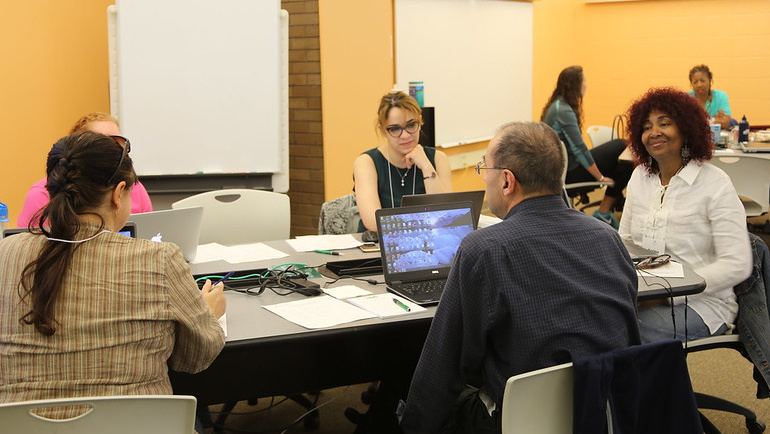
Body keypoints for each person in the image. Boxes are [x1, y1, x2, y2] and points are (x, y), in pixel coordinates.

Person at [398, 122, 640, 433]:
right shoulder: (608, 237)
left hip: (520, 419)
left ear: (507, 181)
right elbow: (630, 336)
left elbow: (446, 363)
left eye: (485, 168)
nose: (484, 177)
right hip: (605, 412)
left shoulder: (483, 249)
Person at [0, 131, 225, 417]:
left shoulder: (5, 253)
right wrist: (208, 315)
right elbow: (193, 360)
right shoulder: (159, 258)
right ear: (118, 194)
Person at [621, 87, 751, 343]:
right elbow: (624, 241)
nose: (654, 132)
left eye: (665, 123)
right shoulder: (640, 177)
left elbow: (737, 264)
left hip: (703, 303)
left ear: (686, 128)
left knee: (621, 331)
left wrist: (666, 294)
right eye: (646, 127)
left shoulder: (715, 184)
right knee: (590, 318)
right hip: (644, 295)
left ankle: (656, 384)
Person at [16, 112, 153, 228]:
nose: (112, 150)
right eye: (102, 142)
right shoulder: (41, 194)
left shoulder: (134, 187)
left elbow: (151, 233)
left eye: (117, 142)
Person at [541, 65, 632, 228]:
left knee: (624, 166)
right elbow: (579, 149)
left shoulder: (558, 105)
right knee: (621, 144)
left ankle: (603, 213)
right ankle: (603, 213)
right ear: (575, 84)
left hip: (568, 166)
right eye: (584, 81)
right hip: (568, 172)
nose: (586, 85)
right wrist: (600, 178)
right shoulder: (563, 110)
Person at [353, 90, 452, 232]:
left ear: (420, 121)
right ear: (382, 130)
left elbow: (447, 215)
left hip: (429, 244)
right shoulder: (366, 162)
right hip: (379, 246)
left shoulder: (438, 158)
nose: (405, 135)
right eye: (395, 129)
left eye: (411, 125)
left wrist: (425, 166)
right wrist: (426, 222)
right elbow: (373, 222)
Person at [688, 64, 733, 130]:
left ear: (710, 81)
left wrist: (697, 121)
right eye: (695, 82)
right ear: (691, 83)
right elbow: (685, 124)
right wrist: (714, 119)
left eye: (702, 81)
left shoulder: (721, 96)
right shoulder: (686, 98)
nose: (699, 85)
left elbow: (725, 123)